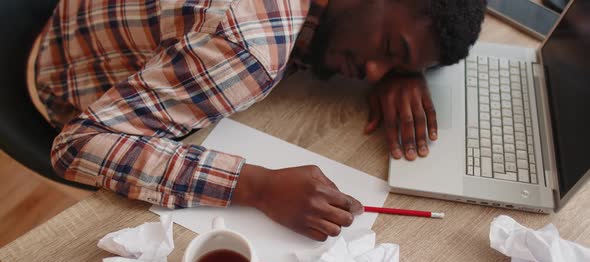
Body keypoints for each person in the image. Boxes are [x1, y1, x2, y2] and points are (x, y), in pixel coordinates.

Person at [31, 0, 486, 241]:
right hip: (66, 77)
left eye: (395, 66)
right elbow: (78, 144)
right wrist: (256, 187)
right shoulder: (250, 52)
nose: (371, 72)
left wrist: (401, 69)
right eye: (389, 48)